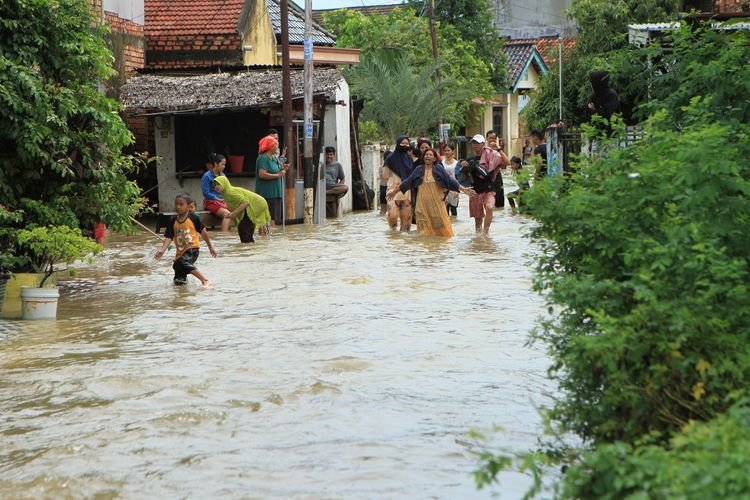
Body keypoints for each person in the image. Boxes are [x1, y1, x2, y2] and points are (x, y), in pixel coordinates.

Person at [387, 147, 474, 236]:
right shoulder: (418, 169)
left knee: (441, 230)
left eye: (430, 155)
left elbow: (450, 180)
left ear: (434, 158)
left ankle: (440, 247)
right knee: (423, 231)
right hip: (422, 204)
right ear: (423, 157)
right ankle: (425, 247)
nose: (428, 156)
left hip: (436, 203)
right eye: (426, 155)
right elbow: (407, 182)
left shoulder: (438, 168)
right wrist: (394, 192)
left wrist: (463, 189)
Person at [155, 193, 217, 286]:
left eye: (181, 204)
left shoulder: (193, 218)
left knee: (183, 262)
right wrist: (162, 250)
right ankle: (183, 295)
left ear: (188, 207)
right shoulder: (172, 220)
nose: (178, 207)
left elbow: (203, 232)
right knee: (178, 273)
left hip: (192, 249)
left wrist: (210, 247)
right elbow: (169, 237)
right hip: (180, 252)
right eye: (176, 204)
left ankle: (204, 280)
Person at [459, 134, 508, 234]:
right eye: (473, 143)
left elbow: (506, 163)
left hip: (489, 189)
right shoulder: (469, 159)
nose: (475, 145)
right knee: (477, 220)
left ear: (483, 144)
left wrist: (499, 149)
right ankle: (478, 238)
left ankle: (485, 233)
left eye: (477, 143)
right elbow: (463, 177)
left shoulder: (492, 156)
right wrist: (463, 166)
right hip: (475, 190)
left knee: (490, 207)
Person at [213, 176, 271, 243]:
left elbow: (246, 202)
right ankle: (251, 247)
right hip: (255, 204)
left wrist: (233, 214)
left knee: (243, 228)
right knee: (246, 228)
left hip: (258, 204)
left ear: (224, 183)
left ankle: (247, 247)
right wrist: (230, 214)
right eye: (215, 185)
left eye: (218, 184)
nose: (216, 187)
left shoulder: (231, 192)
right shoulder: (226, 194)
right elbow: (236, 204)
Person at [382, 135, 414, 231]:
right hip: (392, 190)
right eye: (402, 143)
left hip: (406, 191)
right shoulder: (390, 159)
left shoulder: (409, 159)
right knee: (392, 216)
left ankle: (404, 243)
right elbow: (385, 175)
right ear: (398, 144)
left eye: (406, 143)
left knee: (406, 220)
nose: (404, 145)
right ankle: (393, 234)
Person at [255, 135, 289, 225]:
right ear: (269, 147)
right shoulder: (263, 158)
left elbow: (278, 171)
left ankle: (272, 238)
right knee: (267, 220)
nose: (277, 147)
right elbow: (262, 174)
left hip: (276, 193)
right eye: (275, 145)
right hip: (267, 194)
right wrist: (277, 175)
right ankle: (266, 237)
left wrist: (283, 169)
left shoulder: (274, 158)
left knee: (274, 220)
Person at [201, 153, 232, 231]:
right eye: (222, 164)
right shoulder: (206, 176)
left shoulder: (223, 175)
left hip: (223, 201)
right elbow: (206, 193)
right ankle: (223, 236)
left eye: (225, 165)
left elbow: (227, 189)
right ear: (216, 164)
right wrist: (216, 198)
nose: (224, 167)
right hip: (210, 202)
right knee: (227, 214)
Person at [587, 70, 620, 134]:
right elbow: (586, 113)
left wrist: (594, 110)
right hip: (596, 132)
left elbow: (607, 114)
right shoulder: (594, 96)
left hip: (611, 133)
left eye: (592, 82)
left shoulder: (611, 95)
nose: (590, 85)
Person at [486, 130, 506, 208]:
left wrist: (498, 149)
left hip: (497, 176)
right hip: (487, 177)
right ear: (487, 139)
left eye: (493, 138)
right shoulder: (483, 151)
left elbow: (505, 166)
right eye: (490, 138)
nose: (492, 140)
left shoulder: (498, 152)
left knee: (499, 203)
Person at [442, 143, 460, 216]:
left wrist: (457, 190)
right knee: (444, 209)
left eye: (448, 150)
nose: (446, 152)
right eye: (445, 151)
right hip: (444, 188)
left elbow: (458, 177)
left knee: (453, 210)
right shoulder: (441, 162)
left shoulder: (457, 163)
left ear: (453, 151)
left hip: (454, 187)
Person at [379, 149, 391, 215]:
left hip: (382, 188)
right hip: (390, 188)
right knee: (391, 210)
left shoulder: (381, 167)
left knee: (382, 211)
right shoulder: (393, 167)